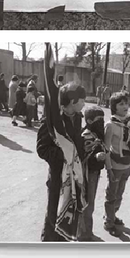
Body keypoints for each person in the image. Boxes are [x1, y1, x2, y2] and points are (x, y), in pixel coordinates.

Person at [36, 81, 86, 241]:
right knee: (53, 213)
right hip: (58, 177)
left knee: (69, 211)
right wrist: (65, 155)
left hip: (73, 177)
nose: (85, 104)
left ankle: (64, 240)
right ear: (72, 101)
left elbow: (76, 142)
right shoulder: (52, 120)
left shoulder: (77, 118)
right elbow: (42, 149)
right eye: (83, 100)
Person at [103, 92, 130, 236]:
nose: (125, 107)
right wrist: (109, 168)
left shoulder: (129, 122)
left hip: (127, 165)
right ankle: (108, 222)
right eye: (121, 104)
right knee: (111, 196)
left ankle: (112, 216)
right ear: (113, 107)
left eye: (126, 103)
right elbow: (106, 149)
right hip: (115, 167)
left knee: (120, 195)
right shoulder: (110, 125)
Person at [77, 105, 108, 241]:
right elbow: (82, 155)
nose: (101, 122)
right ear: (89, 121)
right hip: (87, 173)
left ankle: (87, 232)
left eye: (102, 119)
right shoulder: (86, 134)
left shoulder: (96, 133)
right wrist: (96, 157)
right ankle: (84, 234)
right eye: (98, 119)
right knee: (87, 204)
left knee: (90, 203)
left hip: (94, 173)